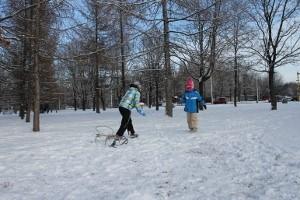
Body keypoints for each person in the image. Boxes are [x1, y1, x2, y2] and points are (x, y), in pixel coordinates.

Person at [111, 81, 145, 147]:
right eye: (140, 87)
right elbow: (136, 103)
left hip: (121, 107)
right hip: (126, 108)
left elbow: (128, 100)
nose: (140, 88)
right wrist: (141, 111)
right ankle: (118, 135)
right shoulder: (137, 92)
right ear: (138, 87)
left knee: (128, 120)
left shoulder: (129, 90)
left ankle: (131, 133)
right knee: (125, 122)